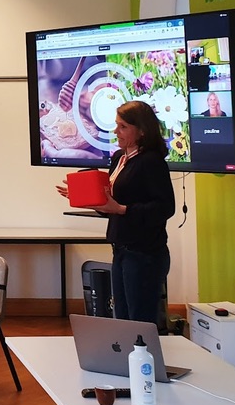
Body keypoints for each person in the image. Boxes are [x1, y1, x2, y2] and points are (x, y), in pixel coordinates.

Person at [57, 100, 175, 325]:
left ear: (141, 130)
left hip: (144, 254)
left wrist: (121, 209)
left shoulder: (151, 161)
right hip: (121, 249)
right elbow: (111, 205)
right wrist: (87, 198)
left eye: (123, 127)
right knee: (122, 319)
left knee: (139, 322)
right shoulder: (119, 158)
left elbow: (165, 208)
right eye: (116, 125)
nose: (115, 131)